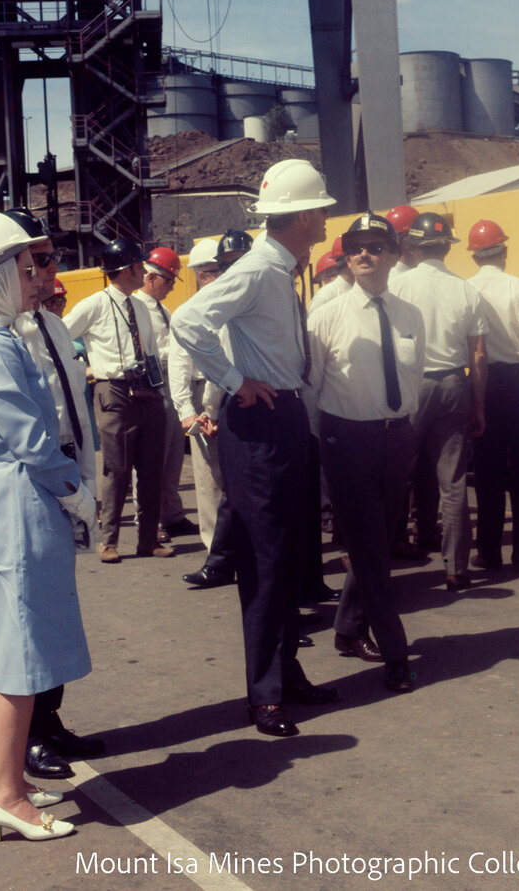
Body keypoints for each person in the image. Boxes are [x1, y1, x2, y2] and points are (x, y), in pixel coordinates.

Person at [171, 158, 340, 737]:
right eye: (320, 208)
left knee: (291, 554)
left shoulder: (282, 270)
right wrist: (235, 381)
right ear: (299, 216)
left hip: (285, 415)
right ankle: (264, 693)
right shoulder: (258, 271)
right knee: (267, 562)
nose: (324, 216)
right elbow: (188, 323)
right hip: (258, 422)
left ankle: (286, 673)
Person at [0, 210, 93, 842]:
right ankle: (6, 794)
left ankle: (2, 776)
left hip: (10, 498)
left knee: (15, 647)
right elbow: (32, 440)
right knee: (20, 655)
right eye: (22, 265)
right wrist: (76, 489)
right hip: (18, 501)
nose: (32, 275)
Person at [5, 210, 106, 781]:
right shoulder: (0, 333)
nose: (48, 269)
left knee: (58, 604)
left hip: (66, 468)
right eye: (37, 260)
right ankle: (30, 736)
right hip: (32, 480)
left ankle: (51, 720)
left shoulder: (53, 324)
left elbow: (74, 409)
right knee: (31, 610)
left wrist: (85, 477)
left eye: (50, 258)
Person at [305, 212, 424, 693]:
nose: (364, 254)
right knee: (373, 550)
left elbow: (414, 379)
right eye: (355, 246)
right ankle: (395, 652)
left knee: (377, 542)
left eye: (376, 246)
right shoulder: (327, 314)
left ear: (395, 255)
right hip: (347, 440)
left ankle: (348, 628)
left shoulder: (410, 314)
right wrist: (329, 445)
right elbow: (311, 390)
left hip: (398, 438)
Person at [391, 211, 488, 590]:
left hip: (413, 385)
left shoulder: (400, 287)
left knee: (397, 473)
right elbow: (478, 355)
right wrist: (478, 406)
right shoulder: (466, 290)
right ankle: (455, 568)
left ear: (412, 246)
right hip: (454, 385)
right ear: (448, 247)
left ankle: (389, 551)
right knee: (453, 482)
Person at [64, 238, 172, 563]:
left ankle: (148, 539)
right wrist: (82, 365)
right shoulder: (94, 305)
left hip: (147, 391)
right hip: (113, 390)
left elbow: (150, 350)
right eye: (140, 266)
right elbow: (62, 335)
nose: (144, 271)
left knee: (152, 468)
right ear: (127, 270)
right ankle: (107, 540)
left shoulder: (140, 306)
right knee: (117, 467)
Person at [466, 219, 519, 570]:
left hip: (484, 382)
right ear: (505, 252)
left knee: (487, 471)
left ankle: (488, 551)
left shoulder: (467, 290)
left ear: (474, 257)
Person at [171, 238, 238, 589]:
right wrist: (187, 410)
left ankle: (242, 552)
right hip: (202, 396)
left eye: (217, 270)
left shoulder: (234, 305)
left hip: (233, 394)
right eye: (206, 272)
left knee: (237, 480)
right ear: (196, 276)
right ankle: (217, 555)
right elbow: (179, 362)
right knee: (209, 480)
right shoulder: (192, 311)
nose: (212, 277)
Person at [135, 246, 197, 543]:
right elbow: (146, 350)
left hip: (170, 385)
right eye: (169, 281)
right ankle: (148, 519)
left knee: (172, 454)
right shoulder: (136, 306)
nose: (171, 287)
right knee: (151, 458)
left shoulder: (163, 309)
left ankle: (171, 514)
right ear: (150, 278)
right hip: (152, 385)